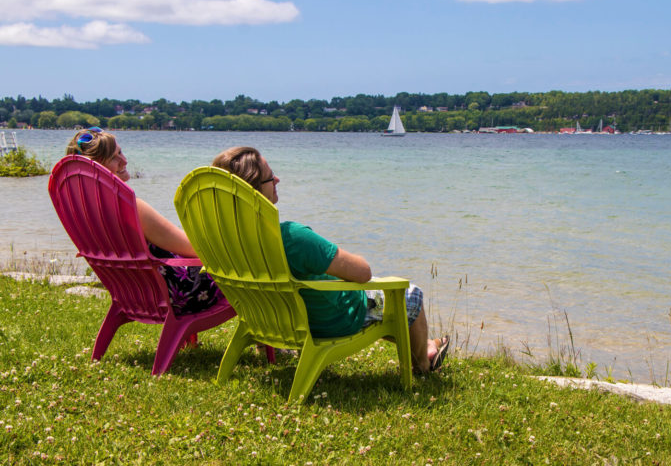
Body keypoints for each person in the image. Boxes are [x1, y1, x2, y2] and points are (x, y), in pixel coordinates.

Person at [211, 146, 449, 373]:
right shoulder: (293, 237)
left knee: (383, 307)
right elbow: (363, 272)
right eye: (270, 177)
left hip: (268, 320)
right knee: (409, 294)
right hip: (329, 319)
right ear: (253, 191)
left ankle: (427, 345)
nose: (277, 180)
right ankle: (422, 366)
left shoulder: (223, 239)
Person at [66, 127, 222, 315]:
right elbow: (192, 248)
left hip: (133, 297)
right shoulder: (131, 208)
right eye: (115, 157)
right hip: (179, 295)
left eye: (121, 152)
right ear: (97, 168)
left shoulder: (86, 211)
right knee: (245, 271)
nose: (124, 160)